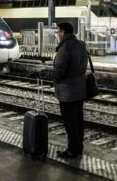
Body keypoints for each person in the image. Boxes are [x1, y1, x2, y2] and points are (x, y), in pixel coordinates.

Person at [36, 22, 88, 159]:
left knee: (70, 122)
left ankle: (72, 151)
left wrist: (42, 73)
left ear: (63, 32)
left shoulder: (65, 48)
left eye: (58, 31)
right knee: (78, 120)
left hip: (68, 93)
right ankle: (78, 148)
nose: (57, 34)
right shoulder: (81, 44)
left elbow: (58, 72)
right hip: (80, 90)